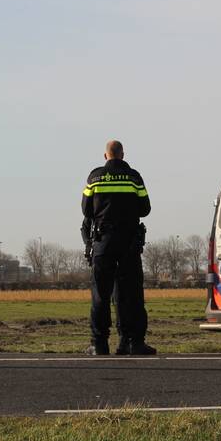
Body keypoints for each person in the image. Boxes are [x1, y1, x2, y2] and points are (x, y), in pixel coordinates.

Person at [81, 140, 155, 355]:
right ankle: (132, 343)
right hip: (129, 243)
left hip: (103, 243)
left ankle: (99, 344)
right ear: (122, 155)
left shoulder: (94, 177)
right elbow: (145, 209)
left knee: (101, 295)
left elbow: (86, 210)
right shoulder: (134, 176)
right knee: (131, 294)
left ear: (106, 156)